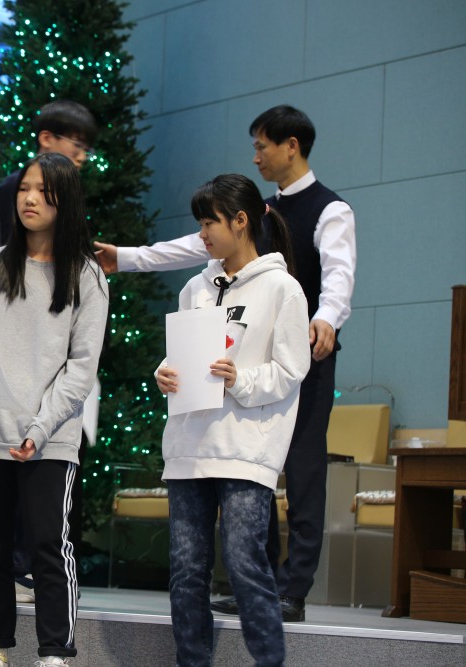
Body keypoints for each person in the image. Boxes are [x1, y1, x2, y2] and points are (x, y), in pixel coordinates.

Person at [94, 105, 357, 622]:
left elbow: (339, 273)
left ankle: (294, 588)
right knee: (253, 470)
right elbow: (192, 247)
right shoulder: (253, 210)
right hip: (243, 365)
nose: (256, 156)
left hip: (302, 353)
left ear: (292, 146)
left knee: (302, 469)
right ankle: (257, 580)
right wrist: (125, 257)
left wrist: (327, 317)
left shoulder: (330, 209)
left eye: (262, 146)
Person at [0, 152, 109, 667]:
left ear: (67, 200)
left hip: (50, 436)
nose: (30, 199)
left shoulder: (87, 275)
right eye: (24, 189)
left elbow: (81, 369)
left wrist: (39, 429)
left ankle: (55, 654)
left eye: (43, 190)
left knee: (48, 546)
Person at [159, 173, 310, 666]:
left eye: (210, 223)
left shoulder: (283, 289)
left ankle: (269, 661)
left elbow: (291, 371)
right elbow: (181, 356)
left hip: (246, 450)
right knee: (186, 570)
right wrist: (165, 373)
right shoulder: (194, 289)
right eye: (200, 224)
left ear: (241, 221)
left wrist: (238, 380)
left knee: (246, 565)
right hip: (189, 448)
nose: (202, 234)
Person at [0, 100, 97, 250]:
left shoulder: (70, 187)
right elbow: (9, 250)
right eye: (77, 145)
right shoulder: (14, 184)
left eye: (86, 150)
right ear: (46, 139)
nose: (82, 157)